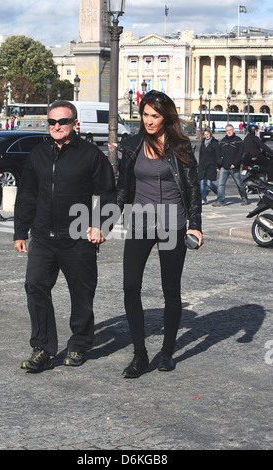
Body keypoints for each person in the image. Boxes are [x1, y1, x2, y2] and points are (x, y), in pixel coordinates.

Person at [14, 100, 116, 372]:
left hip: (78, 237)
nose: (56, 126)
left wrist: (100, 225)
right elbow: (26, 194)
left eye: (63, 122)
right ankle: (43, 349)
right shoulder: (38, 154)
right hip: (43, 237)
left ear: (75, 124)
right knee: (35, 286)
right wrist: (20, 231)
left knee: (81, 294)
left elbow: (109, 193)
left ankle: (79, 344)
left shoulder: (91, 154)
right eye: (52, 122)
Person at [117, 90, 203, 378]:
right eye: (145, 114)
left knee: (171, 291)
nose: (149, 120)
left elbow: (192, 189)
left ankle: (166, 351)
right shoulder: (131, 145)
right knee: (130, 287)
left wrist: (195, 225)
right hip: (141, 222)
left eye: (155, 115)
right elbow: (123, 188)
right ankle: (140, 355)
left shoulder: (180, 146)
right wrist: (105, 222)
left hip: (172, 223)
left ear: (166, 117)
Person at [212, 124, 248, 207]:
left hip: (234, 167)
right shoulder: (223, 141)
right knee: (221, 184)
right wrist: (218, 166)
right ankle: (220, 201)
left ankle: (244, 198)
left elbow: (240, 154)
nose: (229, 132)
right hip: (224, 167)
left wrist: (235, 163)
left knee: (239, 184)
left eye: (230, 130)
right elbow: (219, 154)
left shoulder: (238, 141)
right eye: (227, 130)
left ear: (233, 130)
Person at [198, 128, 220, 204]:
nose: (207, 136)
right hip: (203, 165)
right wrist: (199, 164)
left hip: (211, 165)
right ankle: (203, 199)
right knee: (202, 182)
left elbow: (218, 155)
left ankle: (219, 194)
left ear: (210, 134)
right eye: (205, 134)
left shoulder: (215, 142)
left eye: (208, 134)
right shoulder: (203, 142)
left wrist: (218, 166)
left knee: (208, 183)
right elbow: (200, 154)